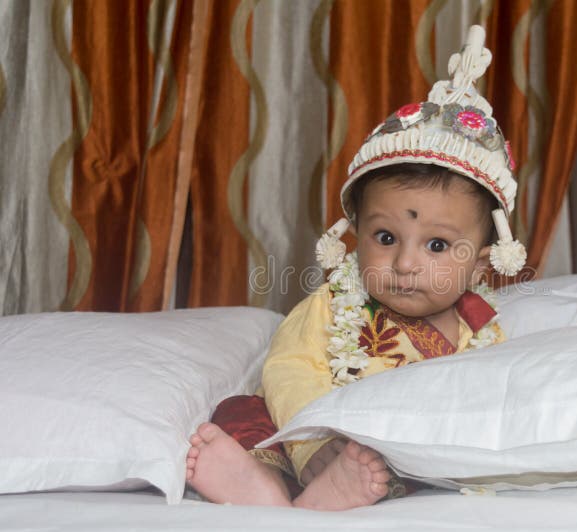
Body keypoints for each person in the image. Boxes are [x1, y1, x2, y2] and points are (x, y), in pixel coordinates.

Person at [185, 25, 527, 511]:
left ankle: (330, 494)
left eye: (436, 245)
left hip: (389, 456)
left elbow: (492, 395)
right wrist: (314, 446)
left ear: (481, 262)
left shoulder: (479, 330)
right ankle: (266, 487)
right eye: (385, 238)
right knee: (241, 411)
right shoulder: (331, 305)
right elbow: (289, 371)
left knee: (401, 455)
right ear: (354, 233)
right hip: (314, 436)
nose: (406, 264)